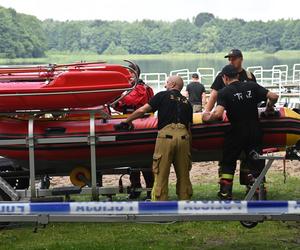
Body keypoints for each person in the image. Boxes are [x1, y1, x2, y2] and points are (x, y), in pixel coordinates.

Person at [202, 65, 278, 200]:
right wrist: (269, 107)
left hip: (237, 131)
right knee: (256, 161)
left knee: (228, 162)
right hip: (255, 130)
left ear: (225, 78)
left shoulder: (224, 92)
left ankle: (226, 193)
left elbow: (218, 113)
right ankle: (258, 193)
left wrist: (207, 116)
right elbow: (273, 96)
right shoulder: (252, 86)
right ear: (237, 75)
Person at [115, 75, 193, 201]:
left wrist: (127, 121)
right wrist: (190, 148)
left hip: (166, 138)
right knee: (184, 175)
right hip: (184, 139)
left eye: (167, 83)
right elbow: (189, 129)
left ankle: (160, 206)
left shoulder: (162, 95)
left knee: (161, 174)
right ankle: (185, 204)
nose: (164, 85)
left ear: (172, 84)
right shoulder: (187, 102)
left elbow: (142, 110)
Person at [205, 48, 263, 188]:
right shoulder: (222, 75)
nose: (231, 60)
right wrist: (206, 111)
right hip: (235, 121)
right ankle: (226, 187)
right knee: (229, 158)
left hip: (249, 121)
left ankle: (251, 185)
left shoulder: (249, 76)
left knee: (250, 159)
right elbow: (214, 94)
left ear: (241, 58)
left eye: (233, 58)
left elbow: (258, 95)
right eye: (229, 59)